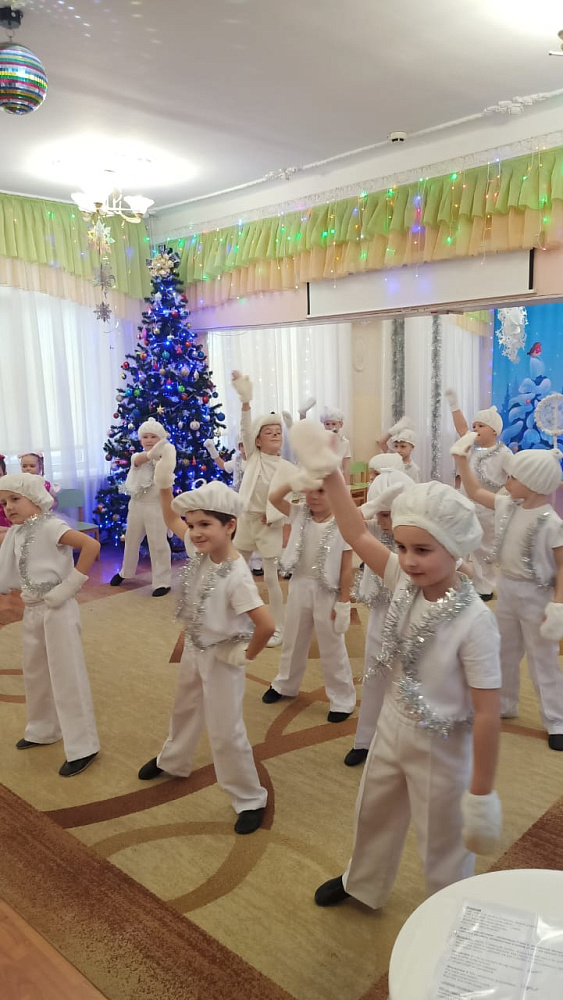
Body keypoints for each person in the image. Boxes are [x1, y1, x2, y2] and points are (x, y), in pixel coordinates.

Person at [288, 420, 502, 910]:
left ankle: (448, 913)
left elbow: (488, 713)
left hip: (443, 747)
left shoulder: (475, 622)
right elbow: (354, 530)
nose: (407, 560)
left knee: (442, 839)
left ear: (456, 547)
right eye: (402, 547)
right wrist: (331, 472)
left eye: (422, 550)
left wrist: (482, 794)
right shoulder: (402, 581)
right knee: (373, 810)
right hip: (392, 722)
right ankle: (362, 881)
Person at [137, 446, 275, 835]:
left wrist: (244, 654)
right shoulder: (200, 552)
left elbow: (266, 625)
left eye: (205, 525)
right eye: (193, 524)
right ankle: (173, 760)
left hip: (224, 658)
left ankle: (249, 796)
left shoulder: (237, 576)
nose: (195, 532)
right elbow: (170, 517)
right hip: (195, 649)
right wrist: (164, 481)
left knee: (225, 729)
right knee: (184, 707)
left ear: (230, 526)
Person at [453, 438, 563, 750]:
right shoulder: (507, 506)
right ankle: (504, 703)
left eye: (513, 477)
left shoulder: (552, 523)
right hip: (508, 590)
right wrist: (461, 460)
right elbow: (475, 492)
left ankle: (556, 719)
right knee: (504, 650)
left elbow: (561, 565)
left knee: (543, 659)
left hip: (537, 596)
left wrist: (558, 604)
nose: (507, 482)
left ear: (533, 483)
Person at [0, 473, 100, 776]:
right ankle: (43, 728)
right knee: (35, 670)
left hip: (58, 607)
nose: (8, 507)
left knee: (66, 673)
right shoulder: (18, 532)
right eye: (3, 503)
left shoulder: (51, 525)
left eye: (15, 499)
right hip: (32, 609)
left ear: (35, 498)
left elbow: (90, 545)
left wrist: (70, 586)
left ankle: (83, 745)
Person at [262, 478, 356, 722]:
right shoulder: (299, 514)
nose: (314, 496)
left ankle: (342, 698)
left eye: (321, 491)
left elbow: (346, 568)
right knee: (293, 638)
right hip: (300, 584)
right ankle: (285, 683)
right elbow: (274, 498)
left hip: (328, 590)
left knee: (331, 645)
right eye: (310, 490)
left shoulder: (343, 522)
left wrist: (344, 602)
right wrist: (295, 481)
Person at [344, 476, 414, 766]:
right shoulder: (371, 528)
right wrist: (373, 506)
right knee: (374, 676)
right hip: (380, 614)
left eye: (390, 514)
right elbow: (346, 523)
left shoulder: (418, 535)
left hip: (413, 615)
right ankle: (365, 740)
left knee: (410, 680)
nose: (384, 522)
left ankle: (408, 745)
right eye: (380, 514)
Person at [231, 371, 295, 647]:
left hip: (269, 525)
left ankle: (278, 626)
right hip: (247, 521)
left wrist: (277, 517)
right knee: (236, 569)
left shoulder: (287, 467)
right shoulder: (252, 457)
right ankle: (238, 618)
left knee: (271, 578)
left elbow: (292, 500)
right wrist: (246, 402)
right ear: (257, 441)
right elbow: (246, 429)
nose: (275, 435)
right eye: (269, 433)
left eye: (278, 432)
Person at [445, 391, 512, 601]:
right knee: (458, 543)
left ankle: (484, 586)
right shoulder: (472, 449)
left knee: (484, 549)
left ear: (494, 431)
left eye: (481, 426)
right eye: (474, 426)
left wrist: (503, 495)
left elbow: (516, 476)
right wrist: (454, 405)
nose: (475, 429)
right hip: (466, 505)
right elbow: (461, 428)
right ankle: (458, 580)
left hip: (488, 509)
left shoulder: (504, 453)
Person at [110, 417, 172, 597]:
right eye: (145, 437)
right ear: (140, 439)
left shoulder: (165, 461)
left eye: (154, 437)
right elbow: (140, 459)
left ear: (160, 439)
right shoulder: (136, 457)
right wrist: (155, 452)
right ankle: (125, 571)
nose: (149, 440)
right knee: (131, 540)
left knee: (158, 544)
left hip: (156, 507)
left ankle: (162, 581)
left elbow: (167, 483)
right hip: (137, 505)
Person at [378, 417, 421, 483]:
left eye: (403, 446)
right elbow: (381, 442)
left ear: (412, 447)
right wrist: (392, 431)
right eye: (396, 446)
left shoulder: (414, 469)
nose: (398, 450)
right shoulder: (392, 457)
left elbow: (415, 487)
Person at [320, 407, 351, 484]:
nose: (330, 427)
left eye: (333, 424)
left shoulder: (345, 442)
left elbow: (346, 468)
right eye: (327, 424)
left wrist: (347, 486)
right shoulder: (320, 441)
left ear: (341, 424)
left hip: (337, 480)